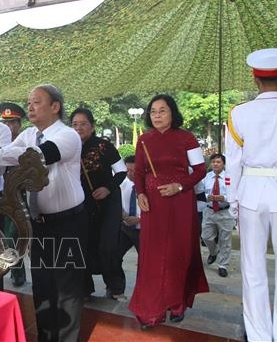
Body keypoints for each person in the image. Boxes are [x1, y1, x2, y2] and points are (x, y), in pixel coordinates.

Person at [0, 84, 87, 342]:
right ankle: (45, 337)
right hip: (38, 223)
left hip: (68, 222)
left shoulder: (68, 135)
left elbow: (38, 157)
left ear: (55, 107)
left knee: (67, 289)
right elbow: (8, 156)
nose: (30, 107)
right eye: (29, 102)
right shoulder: (29, 134)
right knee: (42, 284)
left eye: (37, 102)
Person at [129, 94, 208, 329]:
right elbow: (140, 172)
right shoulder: (144, 140)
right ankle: (151, 308)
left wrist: (179, 186)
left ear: (172, 113)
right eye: (153, 111)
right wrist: (141, 193)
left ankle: (177, 303)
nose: (157, 115)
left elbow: (200, 170)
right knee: (152, 256)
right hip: (152, 206)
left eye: (162, 110)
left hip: (180, 202)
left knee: (178, 252)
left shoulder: (187, 138)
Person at [226, 48, 277, 341]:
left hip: (251, 193)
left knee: (253, 268)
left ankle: (259, 335)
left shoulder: (239, 113)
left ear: (255, 78)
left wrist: (233, 203)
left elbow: (233, 162)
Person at [69, 107, 127, 300]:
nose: (79, 128)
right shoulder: (68, 147)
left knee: (108, 246)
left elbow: (121, 172)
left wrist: (107, 188)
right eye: (75, 124)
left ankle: (115, 287)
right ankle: (85, 289)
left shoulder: (104, 146)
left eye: (83, 124)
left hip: (107, 203)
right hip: (81, 206)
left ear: (92, 126)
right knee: (82, 245)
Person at [0, 101, 28, 287]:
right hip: (5, 197)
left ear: (19, 125)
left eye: (13, 123)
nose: (9, 127)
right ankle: (17, 272)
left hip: (24, 196)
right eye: (6, 123)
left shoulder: (27, 142)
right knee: (10, 237)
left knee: (20, 236)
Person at [201, 153, 233, 278]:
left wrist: (223, 197)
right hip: (209, 210)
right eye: (213, 162)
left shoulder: (229, 177)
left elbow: (234, 193)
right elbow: (201, 192)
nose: (215, 164)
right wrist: (207, 197)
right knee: (206, 236)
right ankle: (214, 252)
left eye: (218, 162)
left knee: (225, 240)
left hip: (225, 211)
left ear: (224, 164)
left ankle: (223, 265)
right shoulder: (207, 177)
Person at [118, 155, 140, 293]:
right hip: (125, 229)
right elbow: (116, 203)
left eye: (134, 170)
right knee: (114, 255)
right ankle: (116, 287)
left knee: (146, 263)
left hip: (144, 230)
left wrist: (139, 219)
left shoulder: (149, 185)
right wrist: (123, 216)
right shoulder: (122, 183)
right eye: (128, 170)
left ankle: (142, 291)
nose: (131, 174)